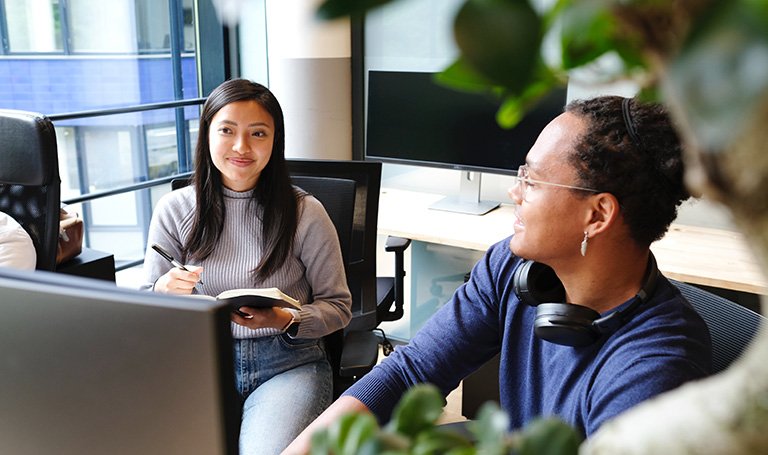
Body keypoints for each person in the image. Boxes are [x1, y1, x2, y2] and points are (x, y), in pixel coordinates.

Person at [284, 95, 712, 453]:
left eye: (533, 180)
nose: (514, 191)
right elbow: (409, 373)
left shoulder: (656, 369)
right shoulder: (512, 268)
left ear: (597, 214)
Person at [142, 79, 352, 454]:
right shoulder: (173, 210)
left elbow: (338, 307)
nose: (241, 147)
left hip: (288, 365)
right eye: (227, 130)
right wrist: (163, 290)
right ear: (207, 134)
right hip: (198, 365)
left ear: (275, 142)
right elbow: (145, 304)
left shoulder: (306, 213)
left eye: (258, 133)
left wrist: (285, 319)